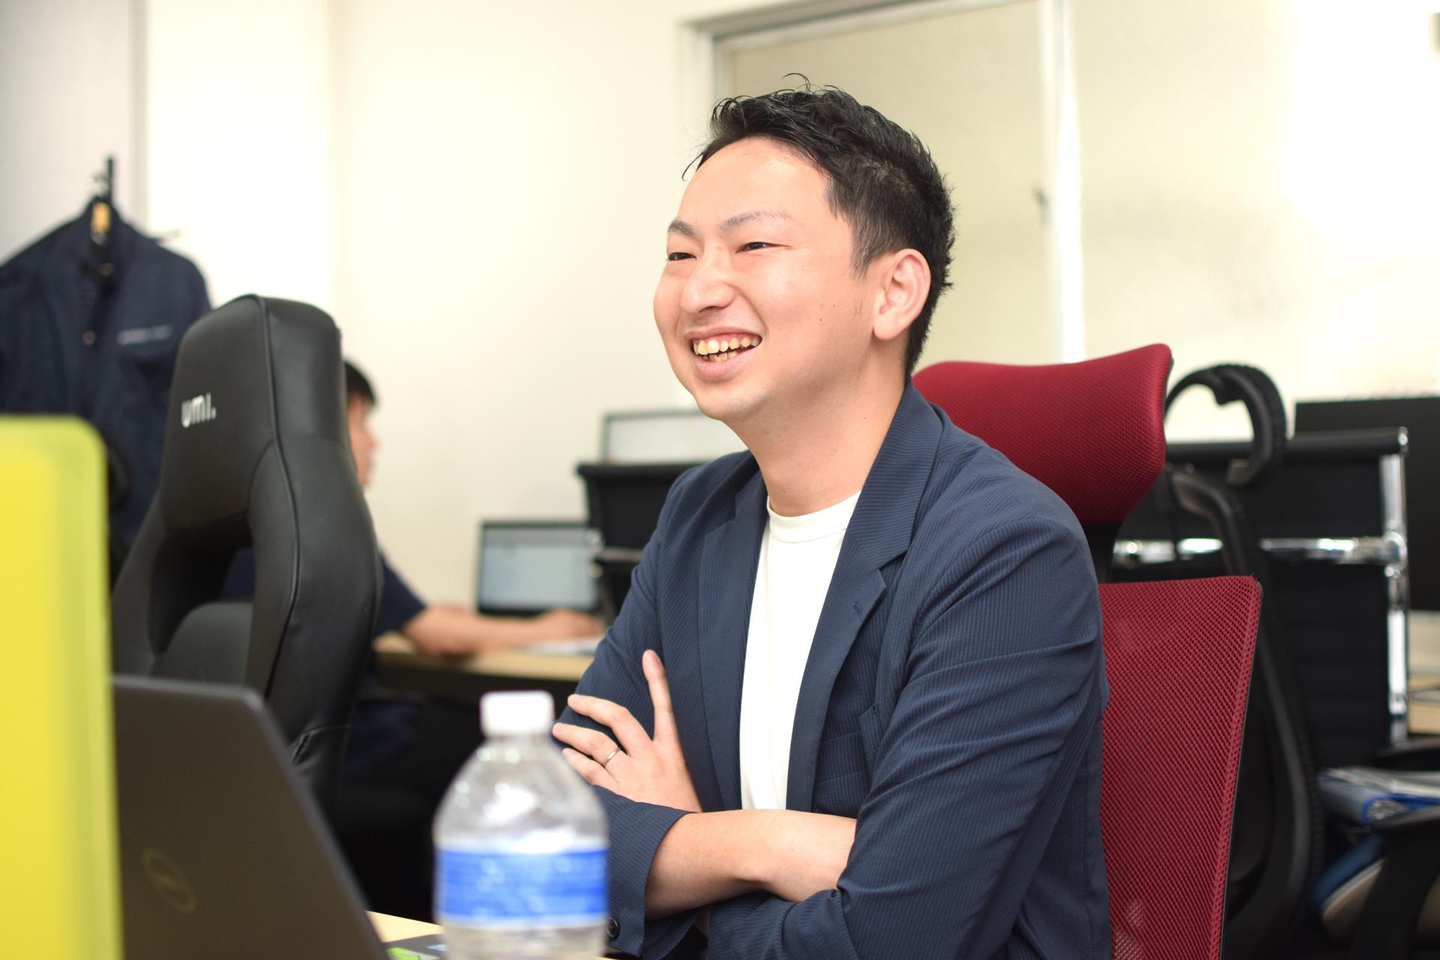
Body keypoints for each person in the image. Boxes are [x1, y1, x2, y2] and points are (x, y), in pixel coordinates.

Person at [551, 85, 1109, 959]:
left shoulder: (1005, 552)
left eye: (754, 246)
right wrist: (765, 844)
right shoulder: (700, 515)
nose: (700, 289)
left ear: (893, 293)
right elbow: (556, 835)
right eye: (680, 254)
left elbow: (894, 938)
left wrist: (682, 862)